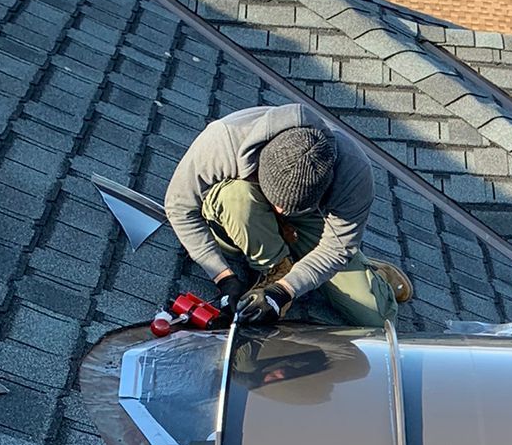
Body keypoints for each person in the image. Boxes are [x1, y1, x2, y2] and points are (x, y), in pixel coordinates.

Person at [164, 102, 410, 328]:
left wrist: (282, 292)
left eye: (290, 207)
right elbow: (179, 207)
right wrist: (223, 277)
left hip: (312, 222)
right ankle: (276, 266)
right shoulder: (225, 139)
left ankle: (370, 271)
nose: (280, 211)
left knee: (377, 320)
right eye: (278, 204)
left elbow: (336, 249)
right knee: (237, 197)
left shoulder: (354, 173)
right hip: (240, 207)